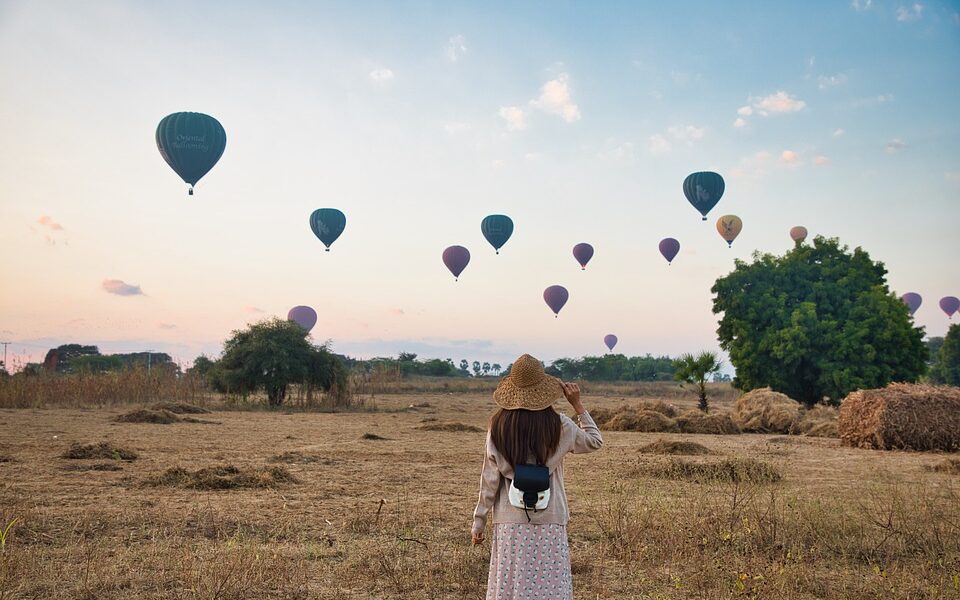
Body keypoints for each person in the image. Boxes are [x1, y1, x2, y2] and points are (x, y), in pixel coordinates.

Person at [471, 354, 603, 599]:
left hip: (510, 522)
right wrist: (578, 406)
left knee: (512, 586)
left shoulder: (498, 426)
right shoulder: (560, 425)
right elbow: (595, 441)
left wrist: (479, 520)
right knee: (549, 587)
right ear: (544, 390)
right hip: (550, 519)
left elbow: (489, 480)